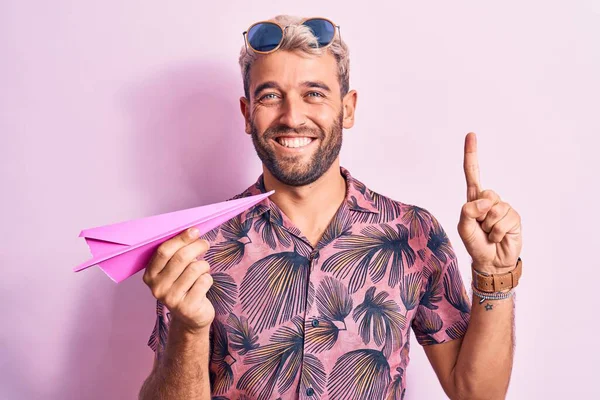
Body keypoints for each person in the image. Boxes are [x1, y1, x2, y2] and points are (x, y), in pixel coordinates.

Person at [138, 14, 523, 400]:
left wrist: (496, 274)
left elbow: (478, 394)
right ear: (247, 113)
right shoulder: (198, 248)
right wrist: (189, 330)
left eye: (314, 93)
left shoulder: (413, 233)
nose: (293, 117)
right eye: (270, 95)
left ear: (349, 108)